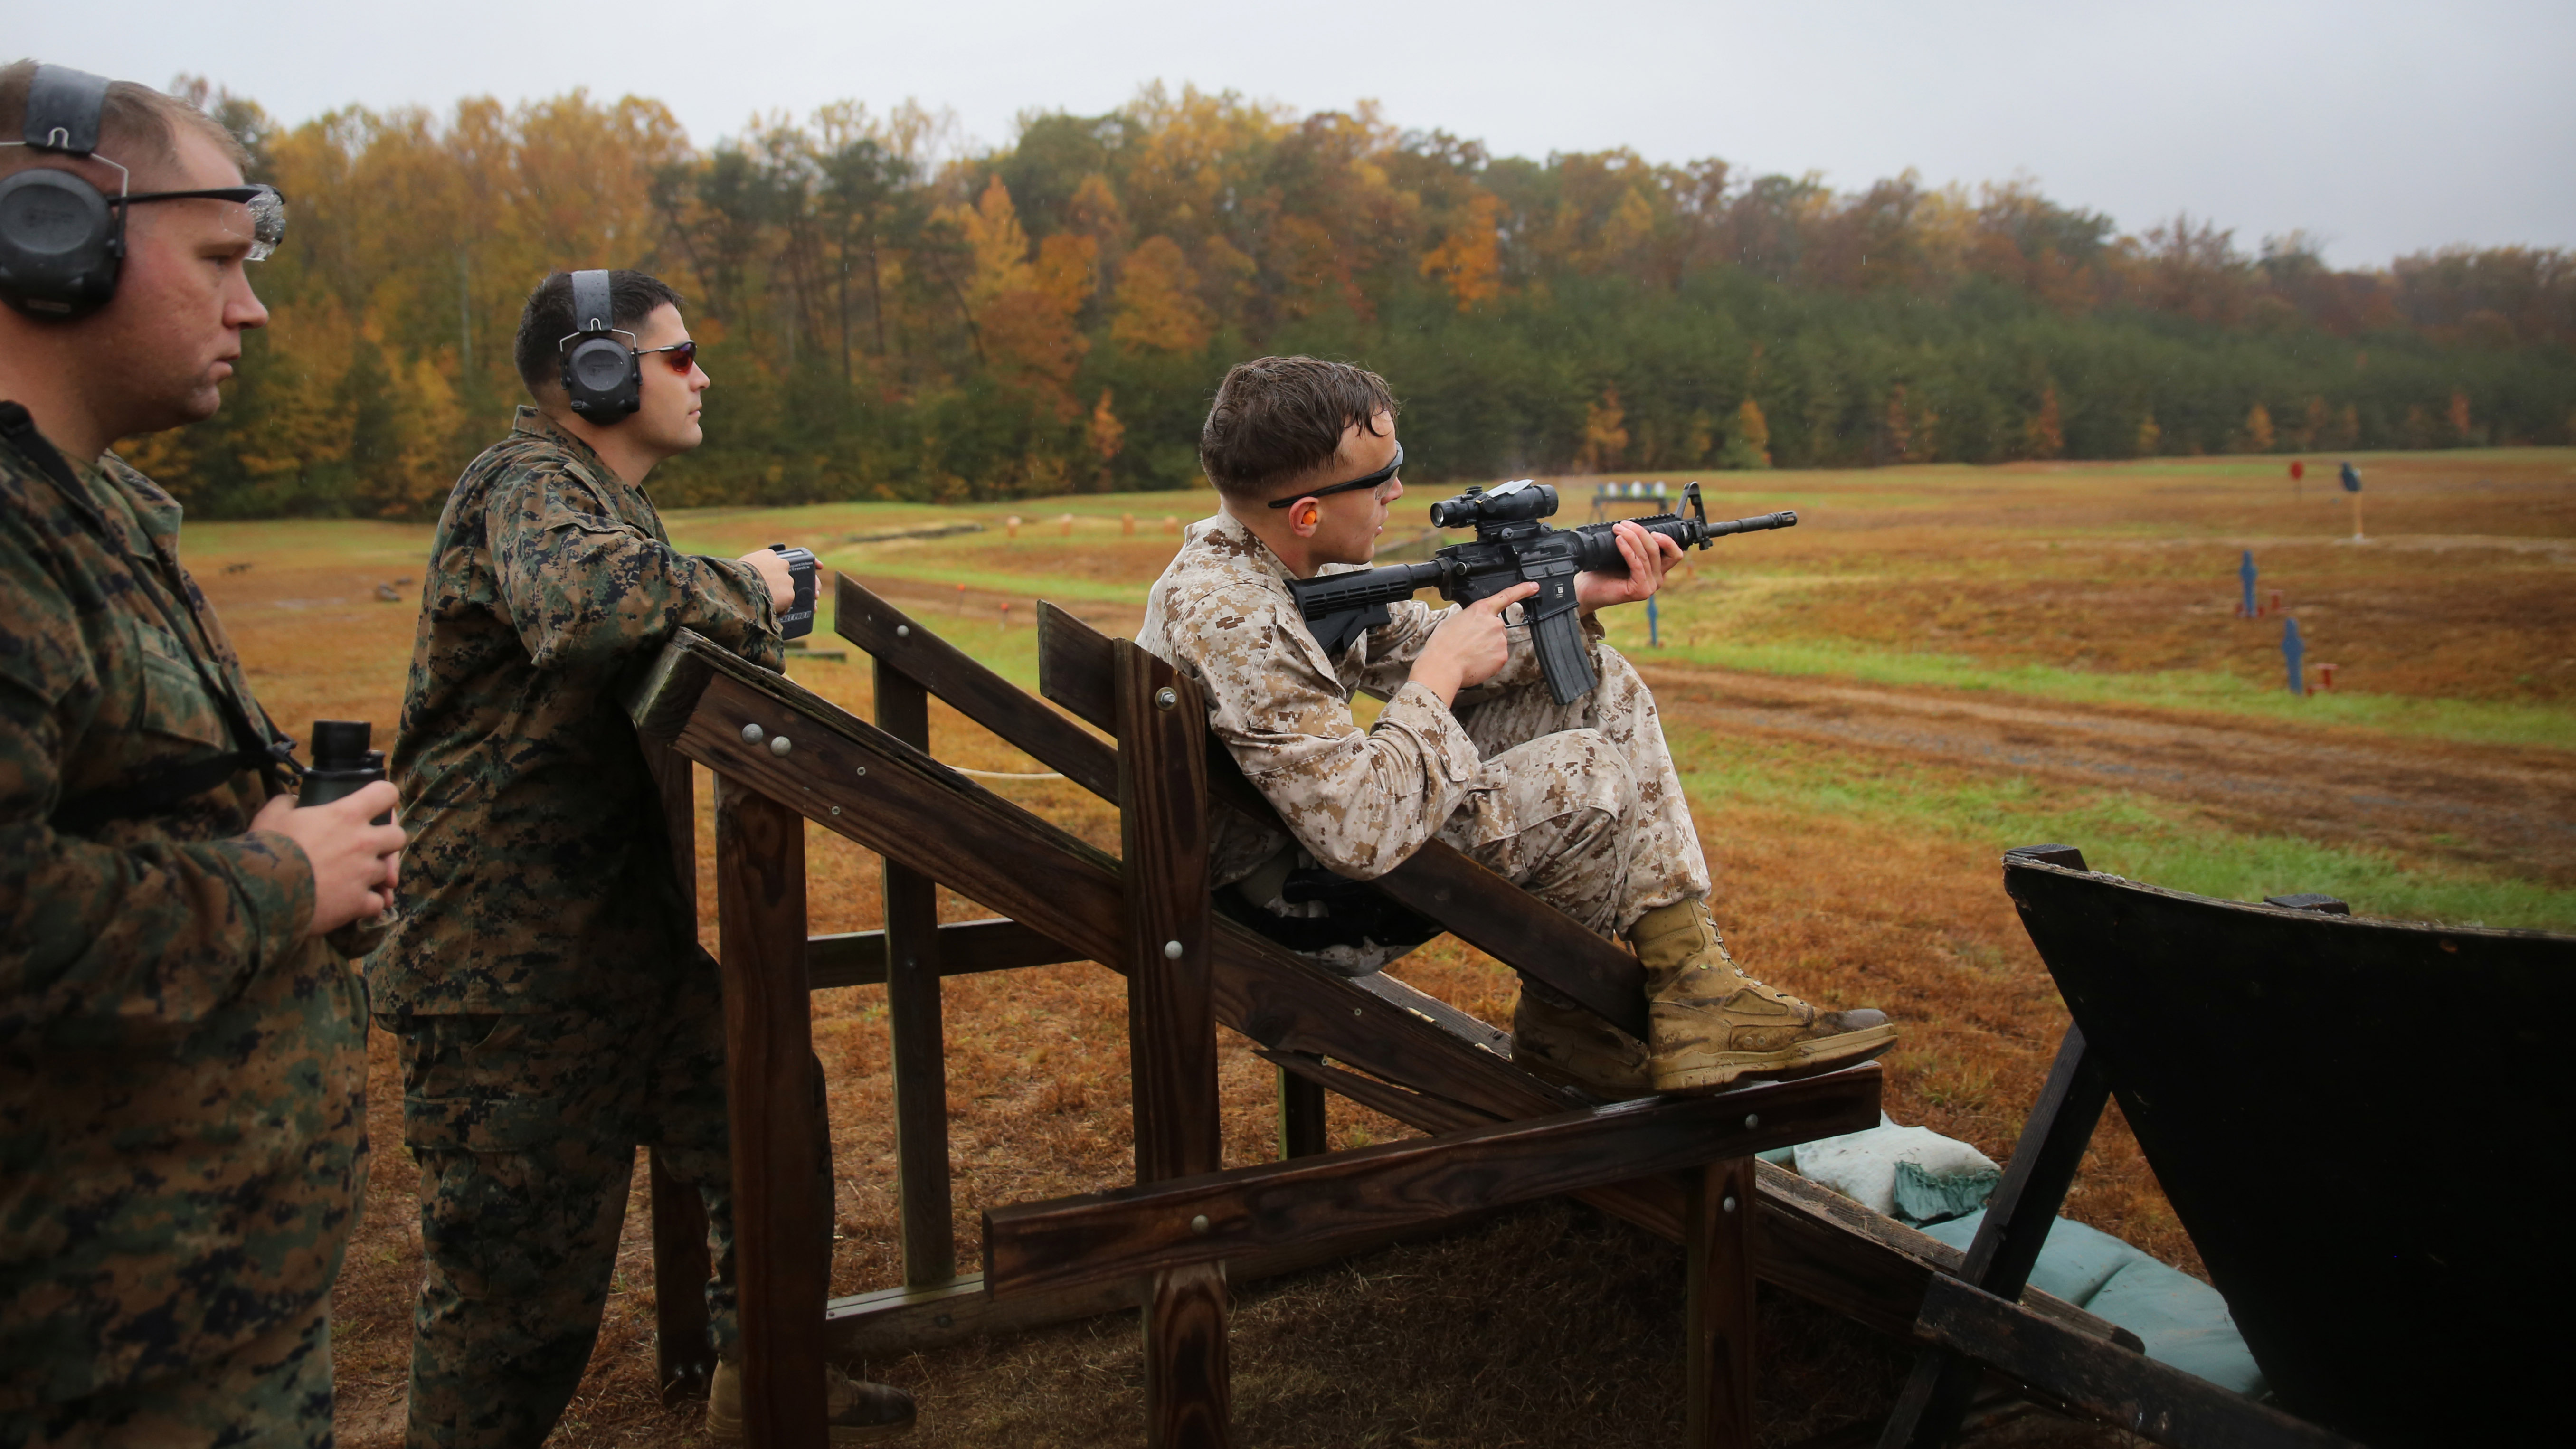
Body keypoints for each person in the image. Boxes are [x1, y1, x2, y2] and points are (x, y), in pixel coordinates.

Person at [375, 267, 912, 1445]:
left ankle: (764, 1378)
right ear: (598, 372)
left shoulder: (600, 502)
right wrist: (750, 586)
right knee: (513, 1307)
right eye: (680, 355)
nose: (702, 375)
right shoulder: (523, 482)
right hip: (504, 971)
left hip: (616, 942)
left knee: (767, 1108)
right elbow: (582, 603)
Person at [0, 62, 406, 1447]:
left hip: (187, 1311)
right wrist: (281, 879)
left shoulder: (95, 507)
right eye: (221, 260)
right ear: (52, 235)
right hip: (83, 1355)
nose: (253, 306)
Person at [1138, 357, 1894, 1097]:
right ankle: (1572, 1021)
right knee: (1586, 772)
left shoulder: (1277, 564)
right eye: (1381, 478)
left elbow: (1422, 642)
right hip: (1293, 910)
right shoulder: (1235, 618)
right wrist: (1438, 677)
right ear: (1307, 513)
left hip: (1305, 854)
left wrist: (1581, 595)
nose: (1398, 490)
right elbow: (1359, 828)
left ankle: (1700, 988)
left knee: (1600, 685)